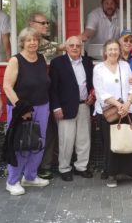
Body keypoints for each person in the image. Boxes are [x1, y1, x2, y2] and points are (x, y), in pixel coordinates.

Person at [2, 27, 50, 195]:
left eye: (35, 40)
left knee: (38, 142)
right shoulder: (16, 61)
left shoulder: (42, 58)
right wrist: (22, 108)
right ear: (22, 42)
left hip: (42, 106)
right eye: (29, 40)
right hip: (20, 108)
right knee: (20, 143)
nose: (32, 43)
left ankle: (30, 177)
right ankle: (12, 181)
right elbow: (7, 86)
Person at [93, 39, 132, 188]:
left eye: (116, 49)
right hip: (110, 112)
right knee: (111, 143)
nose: (113, 52)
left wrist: (127, 103)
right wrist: (118, 105)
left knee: (129, 141)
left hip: (128, 110)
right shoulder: (98, 69)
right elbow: (100, 92)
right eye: (110, 49)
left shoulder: (125, 66)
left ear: (120, 51)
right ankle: (112, 173)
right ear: (105, 51)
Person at [49, 36, 94, 182]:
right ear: (66, 47)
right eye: (72, 45)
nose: (75, 48)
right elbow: (52, 88)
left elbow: (91, 83)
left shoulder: (87, 62)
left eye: (78, 45)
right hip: (64, 107)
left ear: (81, 47)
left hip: (84, 105)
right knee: (66, 140)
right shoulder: (57, 63)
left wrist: (92, 96)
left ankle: (81, 166)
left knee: (84, 139)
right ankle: (64, 168)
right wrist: (56, 107)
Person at [29, 12, 63, 180]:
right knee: (28, 132)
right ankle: (28, 170)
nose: (46, 25)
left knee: (48, 131)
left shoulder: (46, 43)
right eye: (42, 23)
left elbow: (57, 47)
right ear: (31, 24)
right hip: (28, 97)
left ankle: (45, 166)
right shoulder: (26, 41)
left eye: (47, 23)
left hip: (45, 95)